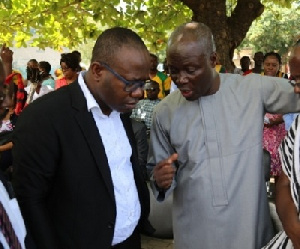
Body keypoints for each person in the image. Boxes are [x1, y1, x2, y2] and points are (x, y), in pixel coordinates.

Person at [147, 22, 300, 249]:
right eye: (173, 70)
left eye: (190, 69)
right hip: (194, 234)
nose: (180, 79)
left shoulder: (252, 89)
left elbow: (296, 93)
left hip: (250, 233)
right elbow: (157, 173)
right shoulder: (164, 112)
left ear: (212, 60)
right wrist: (159, 181)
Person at [12, 27, 151, 249]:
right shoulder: (44, 117)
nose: (139, 93)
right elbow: (30, 201)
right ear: (97, 70)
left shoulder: (121, 108)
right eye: (131, 83)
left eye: (144, 83)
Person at [265, 45, 300, 249]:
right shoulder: (297, 128)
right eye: (294, 80)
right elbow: (284, 183)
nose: (296, 89)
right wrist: (294, 231)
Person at [263, 52, 287, 179]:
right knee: (260, 165)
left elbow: (289, 108)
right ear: (263, 65)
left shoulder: (286, 84)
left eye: (274, 65)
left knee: (279, 166)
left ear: (279, 66)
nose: (270, 68)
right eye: (267, 64)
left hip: (278, 129)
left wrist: (277, 120)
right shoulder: (256, 82)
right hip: (260, 129)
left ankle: (278, 195)